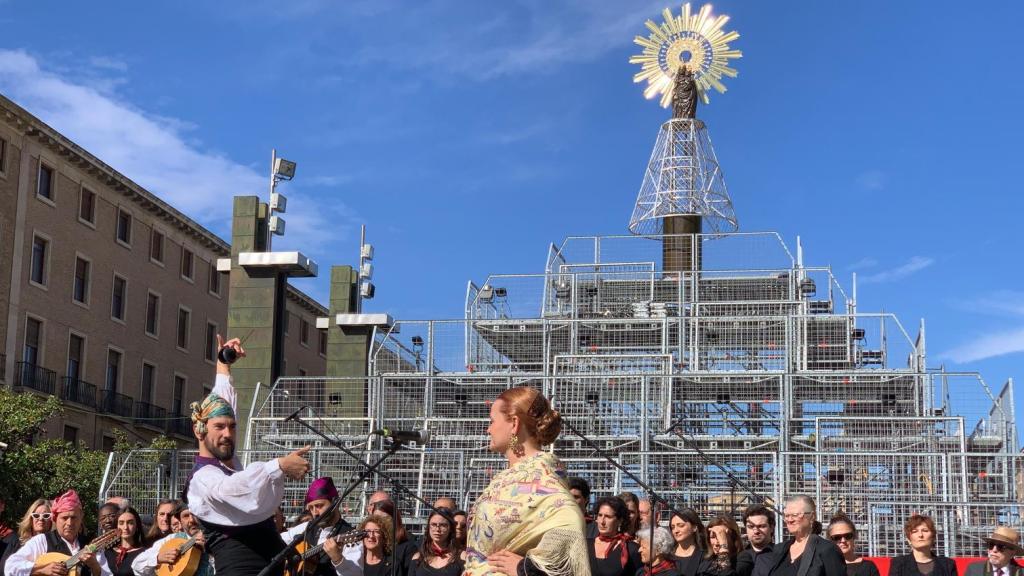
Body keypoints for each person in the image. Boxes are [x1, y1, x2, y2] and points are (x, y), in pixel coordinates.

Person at [184, 334, 311, 576]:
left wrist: (224, 362)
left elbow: (225, 400)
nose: (228, 433)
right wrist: (279, 465)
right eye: (219, 427)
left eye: (232, 427)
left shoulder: (230, 463)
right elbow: (234, 489)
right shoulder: (204, 477)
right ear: (199, 430)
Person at [465, 386, 589, 576]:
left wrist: (525, 569)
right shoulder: (508, 476)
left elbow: (569, 520)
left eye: (492, 421)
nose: (488, 429)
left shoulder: (541, 475)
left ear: (514, 423)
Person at [4, 489, 112, 576]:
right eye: (64, 518)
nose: (69, 523)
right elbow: (10, 566)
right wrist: (41, 569)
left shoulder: (90, 545)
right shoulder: (42, 541)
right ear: (55, 519)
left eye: (74, 517)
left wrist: (95, 567)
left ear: (81, 518)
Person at [279, 477, 362, 576]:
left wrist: (338, 559)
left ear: (335, 502)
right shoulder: (307, 527)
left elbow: (356, 573)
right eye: (310, 508)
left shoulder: (351, 535)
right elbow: (279, 540)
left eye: (319, 506)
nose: (315, 513)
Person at [751, 496, 844, 576]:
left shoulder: (827, 550)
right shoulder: (779, 550)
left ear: (812, 517)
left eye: (795, 515)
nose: (790, 520)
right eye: (786, 516)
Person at [132, 503, 213, 576]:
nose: (191, 520)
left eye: (195, 514)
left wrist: (211, 553)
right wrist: (158, 558)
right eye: (186, 516)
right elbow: (136, 565)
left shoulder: (218, 540)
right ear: (180, 521)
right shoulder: (171, 539)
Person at [587, 496, 640, 576]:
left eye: (608, 517)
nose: (602, 521)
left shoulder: (631, 549)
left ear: (620, 520)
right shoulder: (585, 545)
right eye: (600, 515)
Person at [888, 515, 957, 576]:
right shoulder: (899, 564)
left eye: (925, 530)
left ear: (933, 537)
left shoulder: (948, 565)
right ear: (909, 540)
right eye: (915, 531)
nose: (920, 535)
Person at [0, 500, 51, 573]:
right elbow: (4, 570)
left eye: (46, 516)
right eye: (36, 515)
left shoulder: (56, 545)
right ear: (30, 518)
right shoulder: (16, 542)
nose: (41, 519)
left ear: (52, 519)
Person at [410, 508, 463, 576]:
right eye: (433, 525)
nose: (437, 529)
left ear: (450, 528)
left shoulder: (462, 557)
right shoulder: (418, 558)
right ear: (428, 527)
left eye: (443, 525)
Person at [103, 507, 145, 576]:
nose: (125, 527)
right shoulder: (108, 552)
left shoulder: (144, 553)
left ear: (137, 525)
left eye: (130, 523)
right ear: (116, 526)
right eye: (121, 523)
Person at [737, 505, 775, 576]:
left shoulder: (781, 556)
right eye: (751, 527)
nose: (756, 531)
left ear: (772, 528)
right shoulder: (738, 556)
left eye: (761, 526)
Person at [669, 509, 706, 576]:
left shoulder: (705, 556)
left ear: (694, 527)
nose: (676, 531)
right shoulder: (667, 555)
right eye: (673, 527)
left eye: (681, 525)